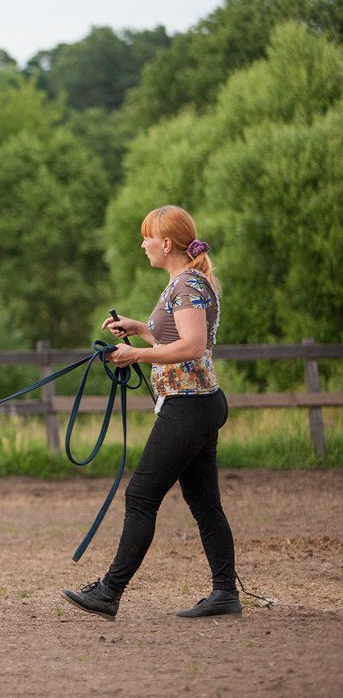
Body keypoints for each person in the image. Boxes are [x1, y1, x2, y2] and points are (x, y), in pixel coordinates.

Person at [62, 205, 240, 620]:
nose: (142, 244)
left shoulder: (187, 285)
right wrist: (140, 328)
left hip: (188, 406)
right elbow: (176, 334)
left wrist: (137, 354)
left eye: (147, 237)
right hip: (197, 403)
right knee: (204, 503)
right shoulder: (184, 282)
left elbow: (193, 346)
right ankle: (225, 593)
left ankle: (109, 591)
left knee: (141, 496)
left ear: (165, 243)